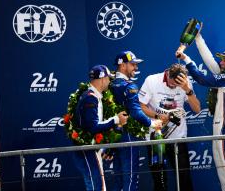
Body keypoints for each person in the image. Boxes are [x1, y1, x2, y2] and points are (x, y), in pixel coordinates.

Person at [176, 33, 225, 191]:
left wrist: (187, 60)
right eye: (221, 59)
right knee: (222, 173)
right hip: (220, 128)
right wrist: (198, 38)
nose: (221, 62)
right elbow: (209, 59)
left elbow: (203, 80)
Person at [138, 63, 201, 191]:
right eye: (172, 84)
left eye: (177, 85)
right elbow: (141, 106)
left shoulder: (185, 82)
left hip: (178, 137)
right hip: (156, 137)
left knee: (184, 177)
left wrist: (188, 90)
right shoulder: (152, 80)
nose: (174, 87)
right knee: (159, 180)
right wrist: (158, 116)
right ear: (167, 75)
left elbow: (197, 109)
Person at [110, 51, 163, 191]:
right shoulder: (129, 86)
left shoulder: (109, 83)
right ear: (122, 66)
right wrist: (153, 123)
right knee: (131, 177)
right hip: (128, 136)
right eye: (133, 64)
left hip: (113, 135)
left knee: (118, 177)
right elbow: (136, 112)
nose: (136, 68)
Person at [73, 65, 128, 191]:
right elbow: (93, 127)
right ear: (102, 78)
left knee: (98, 186)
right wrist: (116, 119)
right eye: (108, 78)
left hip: (91, 148)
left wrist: (104, 147)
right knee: (97, 186)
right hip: (87, 149)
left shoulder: (92, 95)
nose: (109, 81)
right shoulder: (90, 97)